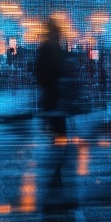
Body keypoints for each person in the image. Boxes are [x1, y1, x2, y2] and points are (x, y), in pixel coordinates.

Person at [33, 21, 74, 208]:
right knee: (60, 146)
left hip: (52, 104)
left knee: (59, 145)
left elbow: (40, 74)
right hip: (54, 104)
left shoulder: (48, 50)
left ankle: (56, 189)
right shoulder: (51, 51)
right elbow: (50, 74)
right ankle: (55, 191)